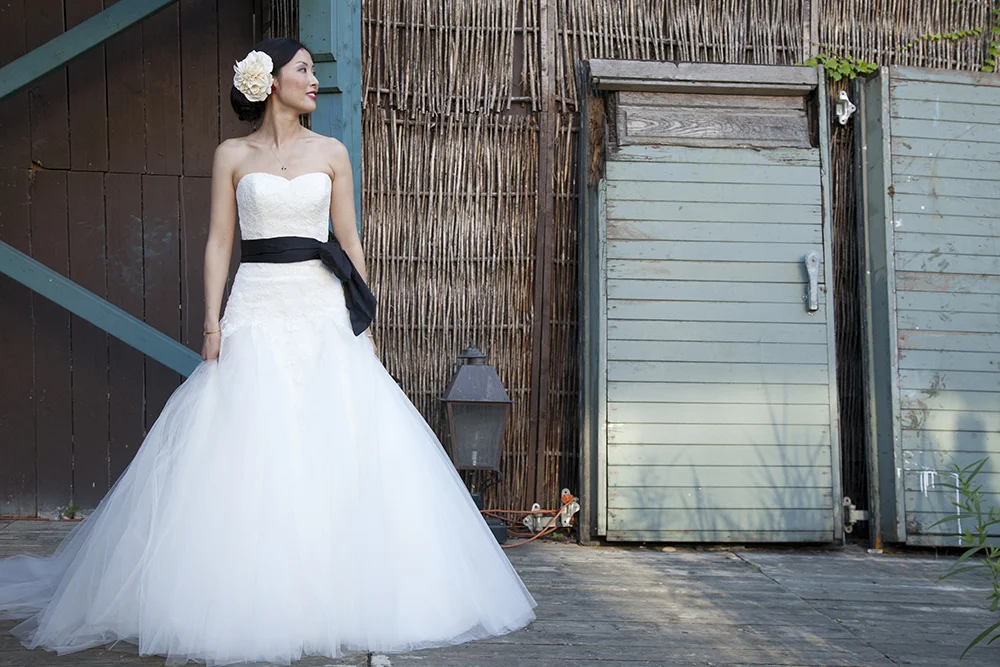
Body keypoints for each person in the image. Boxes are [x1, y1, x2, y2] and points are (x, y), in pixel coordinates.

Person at [0, 37, 536, 667]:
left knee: (334, 437)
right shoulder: (232, 154)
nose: (314, 81)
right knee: (245, 439)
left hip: (320, 304)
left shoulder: (332, 153)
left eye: (313, 71)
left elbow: (349, 242)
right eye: (304, 70)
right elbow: (218, 242)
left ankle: (344, 592)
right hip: (254, 302)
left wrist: (367, 323)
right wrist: (210, 321)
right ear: (270, 81)